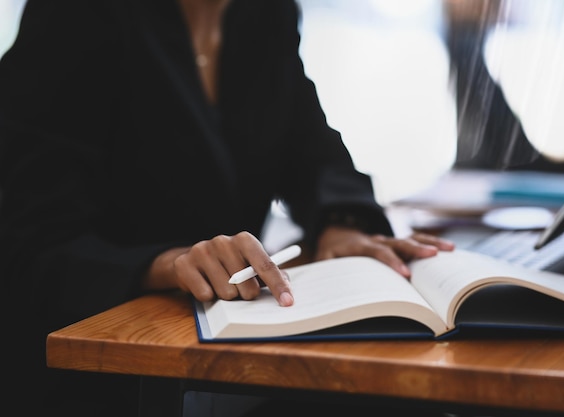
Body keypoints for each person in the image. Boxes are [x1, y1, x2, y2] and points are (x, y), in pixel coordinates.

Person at [0, 0, 454, 415]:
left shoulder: (265, 13)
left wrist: (342, 225)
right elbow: (30, 238)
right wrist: (167, 263)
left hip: (224, 349)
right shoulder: (74, 15)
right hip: (96, 367)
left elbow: (312, 152)